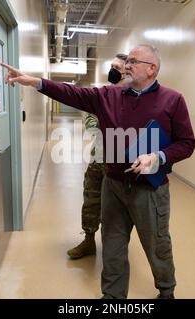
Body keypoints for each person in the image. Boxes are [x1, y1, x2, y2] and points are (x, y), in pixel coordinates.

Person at [1, 44, 195, 299]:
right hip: (112, 185)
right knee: (113, 245)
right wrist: (36, 82)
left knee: (157, 245)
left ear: (151, 69)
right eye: (127, 61)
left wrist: (158, 157)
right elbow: (71, 93)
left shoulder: (172, 100)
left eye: (133, 61)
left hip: (150, 189)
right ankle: (113, 297)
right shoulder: (108, 96)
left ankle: (166, 291)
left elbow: (187, 143)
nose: (126, 66)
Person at [67, 53, 128, 259]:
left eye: (117, 67)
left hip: (122, 160)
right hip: (99, 156)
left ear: (127, 71)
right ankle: (89, 241)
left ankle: (115, 246)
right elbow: (92, 124)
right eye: (111, 65)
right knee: (91, 197)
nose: (112, 70)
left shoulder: (136, 97)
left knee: (118, 206)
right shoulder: (101, 95)